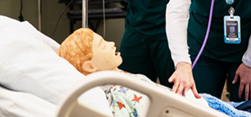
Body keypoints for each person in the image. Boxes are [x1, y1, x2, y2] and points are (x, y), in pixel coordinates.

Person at [57, 28, 209, 116]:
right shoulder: (117, 94)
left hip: (195, 101)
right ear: (90, 67)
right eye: (103, 46)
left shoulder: (120, 76)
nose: (112, 43)